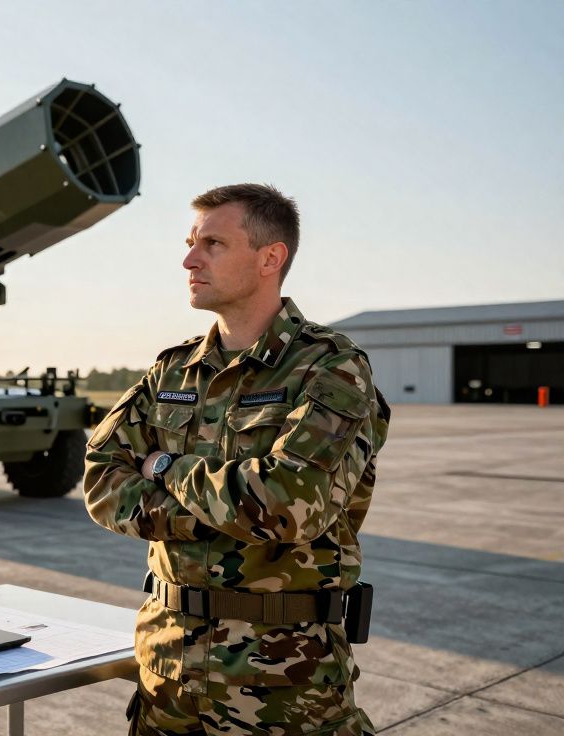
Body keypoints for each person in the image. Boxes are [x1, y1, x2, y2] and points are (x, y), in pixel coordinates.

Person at [84, 184, 390, 735]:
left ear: (271, 257)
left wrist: (162, 469)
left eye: (213, 243)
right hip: (165, 675)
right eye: (190, 242)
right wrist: (224, 513)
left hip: (281, 685)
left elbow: (288, 506)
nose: (189, 259)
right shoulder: (172, 372)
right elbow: (101, 481)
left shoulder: (330, 369)